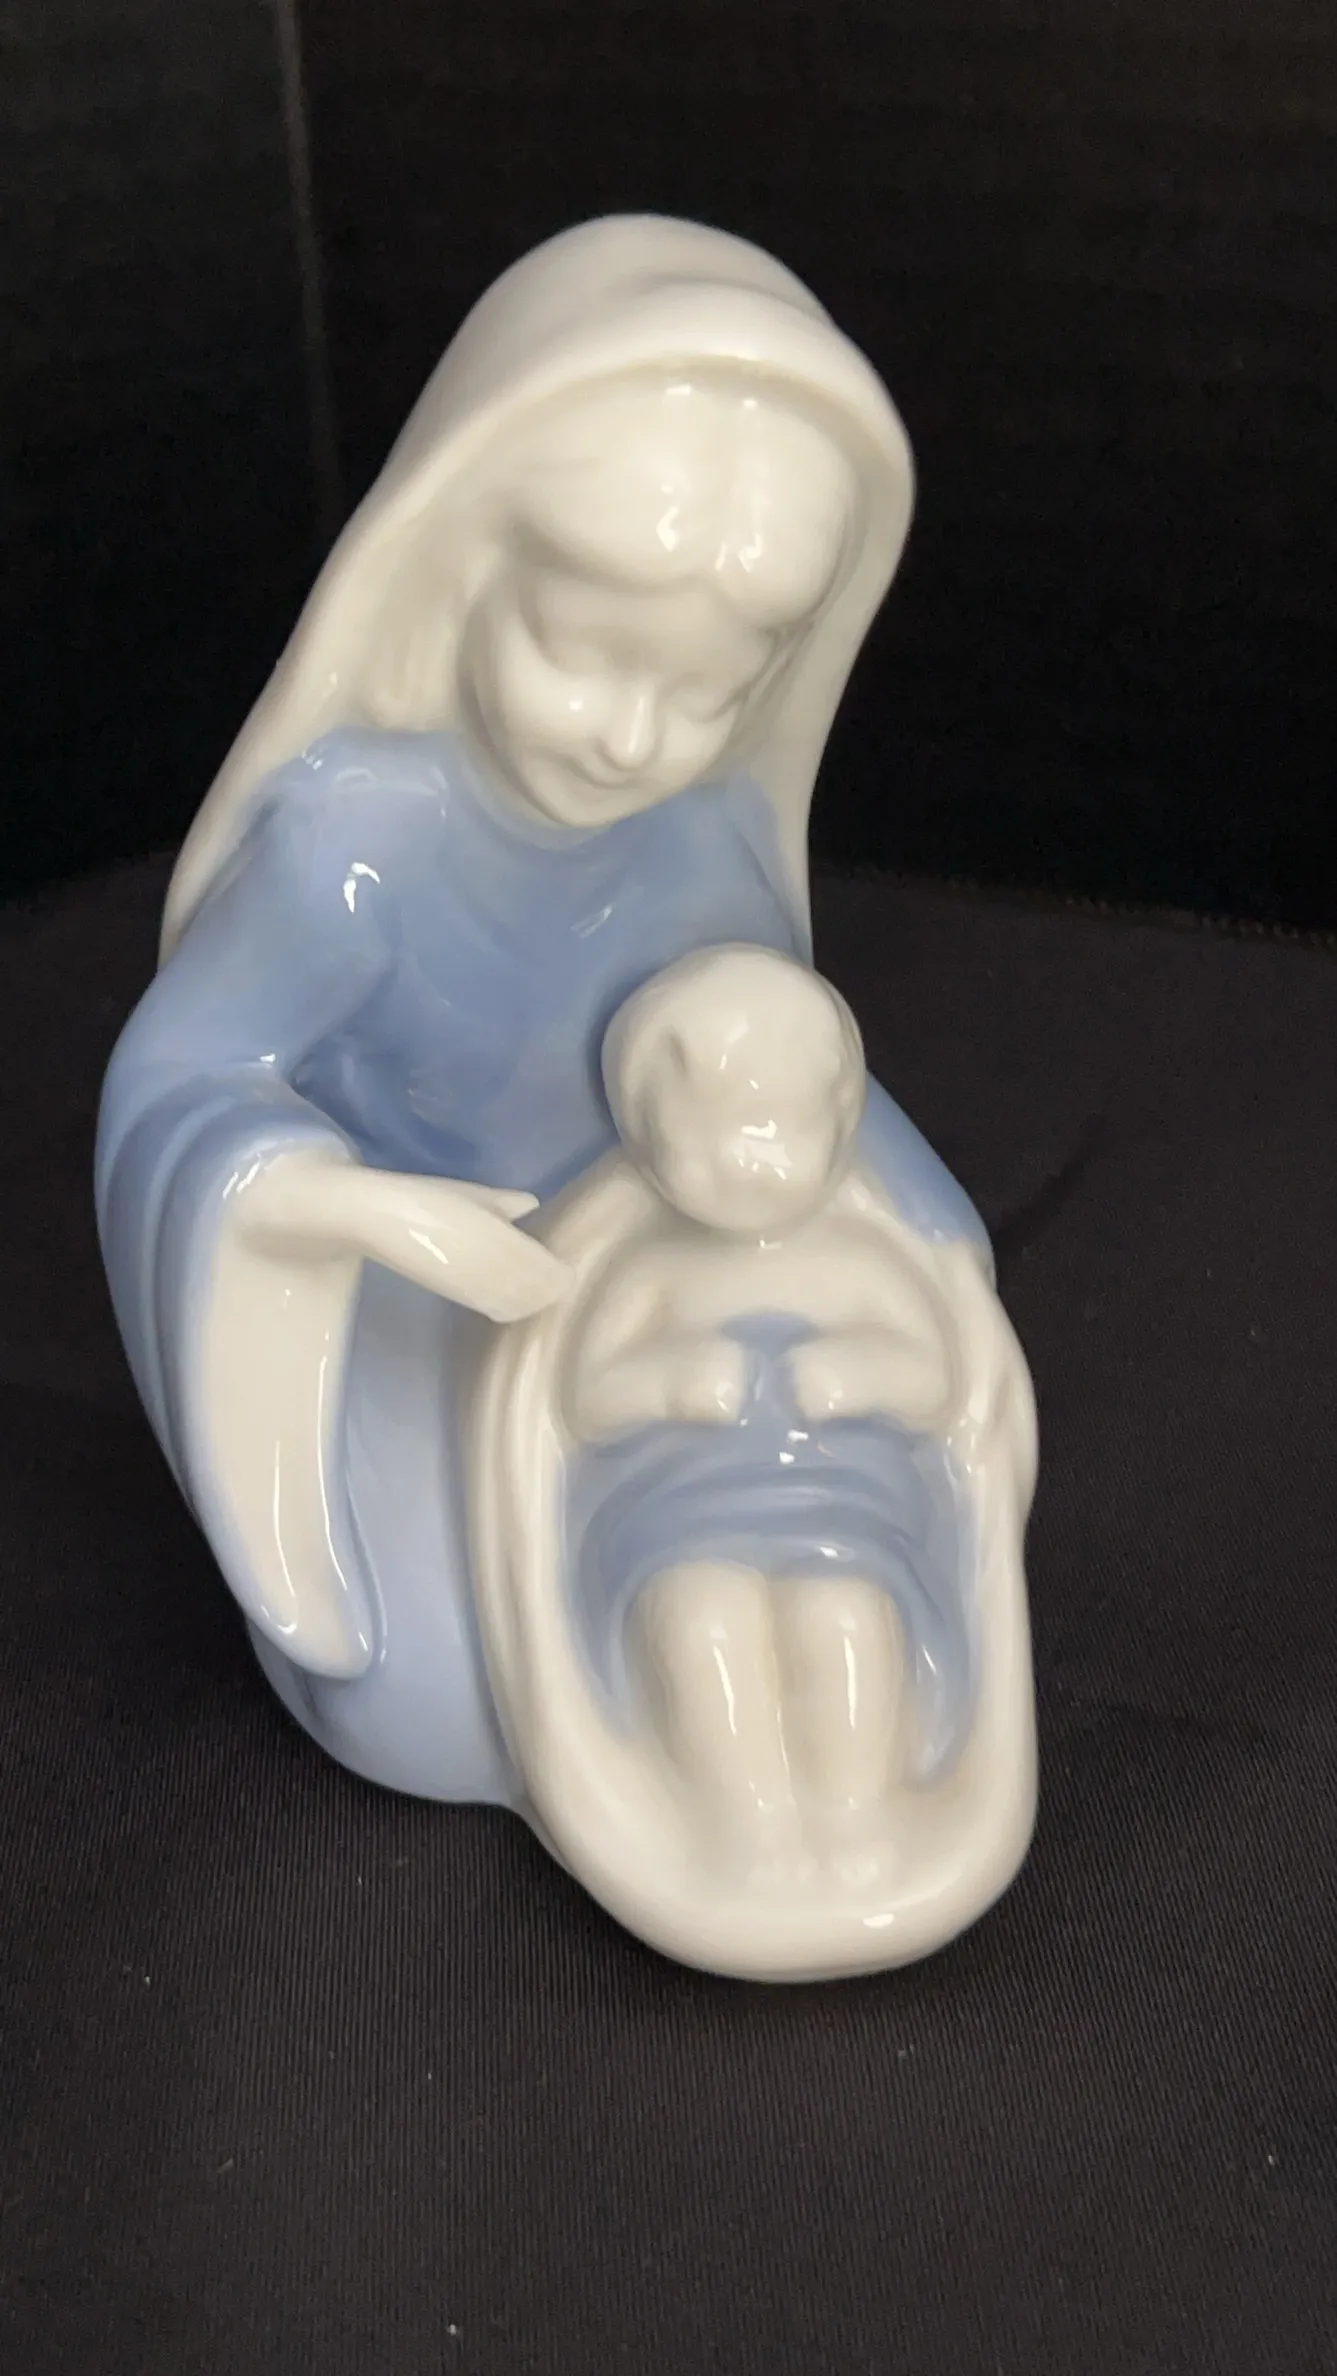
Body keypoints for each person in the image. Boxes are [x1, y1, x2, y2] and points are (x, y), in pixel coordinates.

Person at [96, 216, 990, 1809]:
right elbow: (189, 1081)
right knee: (438, 1698)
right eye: (581, 654)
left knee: (858, 1552)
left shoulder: (704, 845)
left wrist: (935, 1238)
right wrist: (352, 1208)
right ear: (462, 577)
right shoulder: (353, 845)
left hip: (675, 1288)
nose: (631, 736)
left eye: (705, 692)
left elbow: (788, 1072)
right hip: (419, 1296)